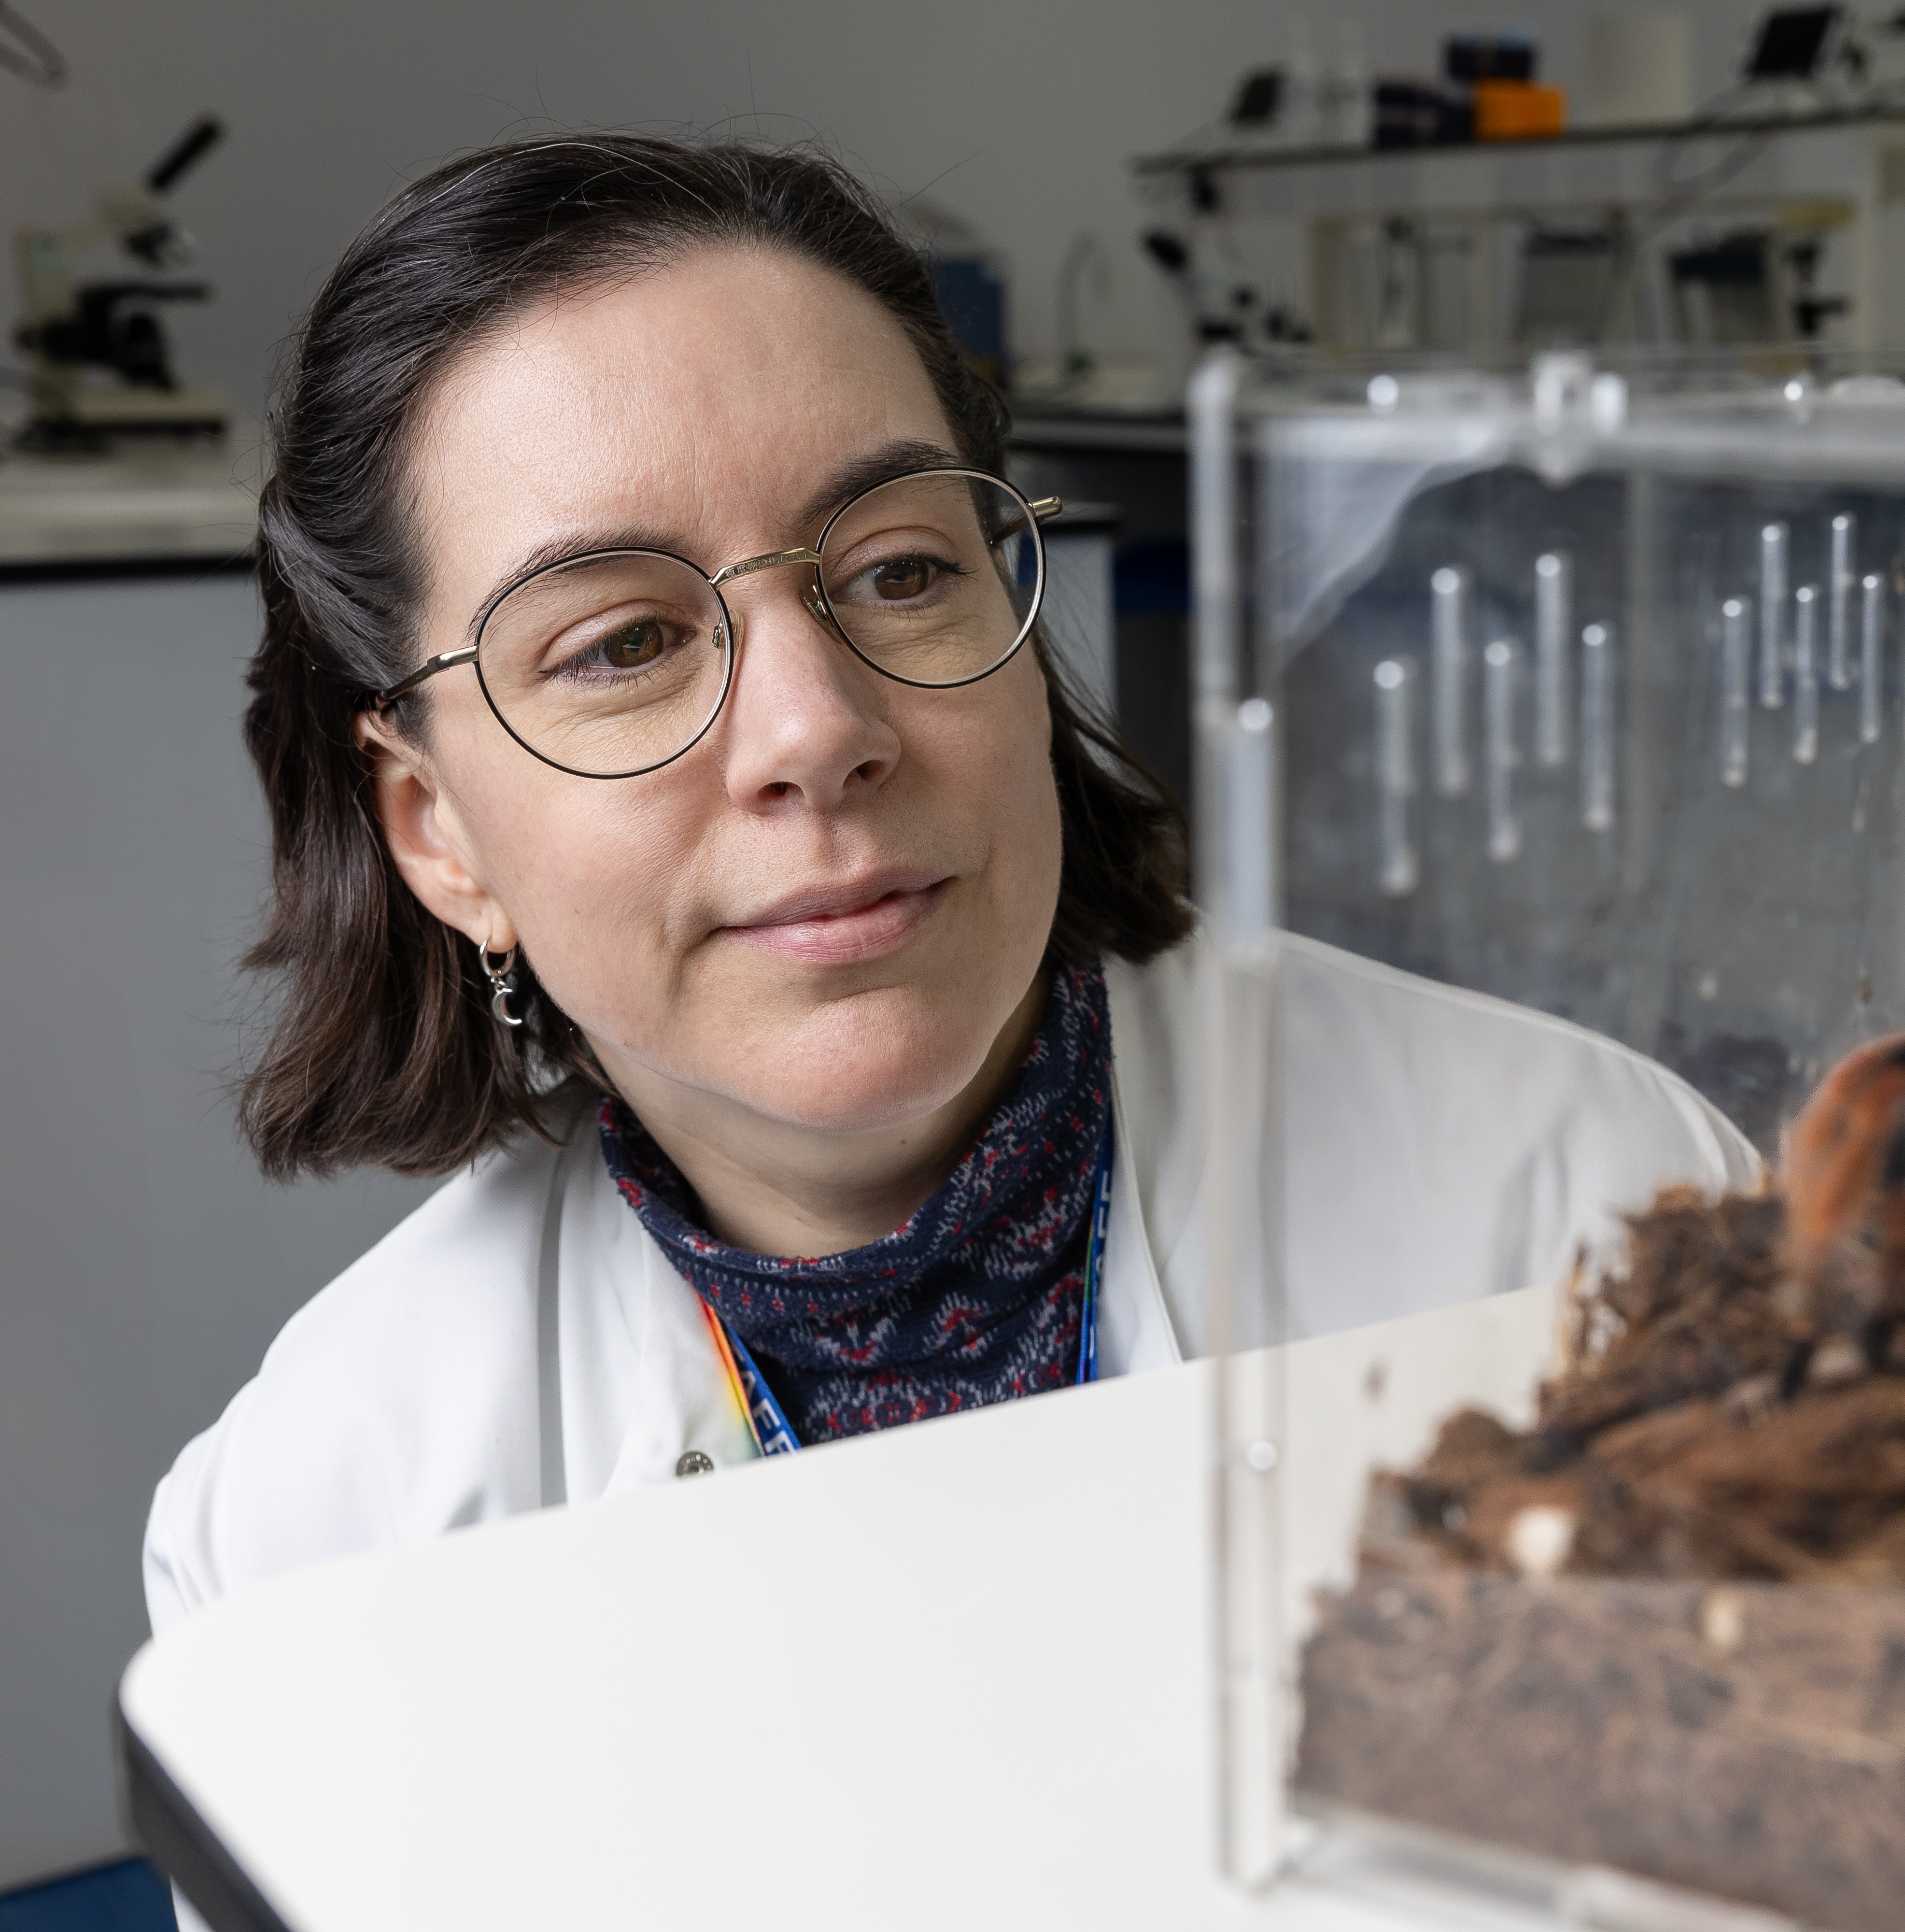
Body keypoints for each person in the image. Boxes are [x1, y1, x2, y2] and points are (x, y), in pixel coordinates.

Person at [144, 136, 1755, 1634]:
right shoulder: (313, 1540)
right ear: (437, 828)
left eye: (901, 573)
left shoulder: (1587, 1225)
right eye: (623, 643)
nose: (816, 729)